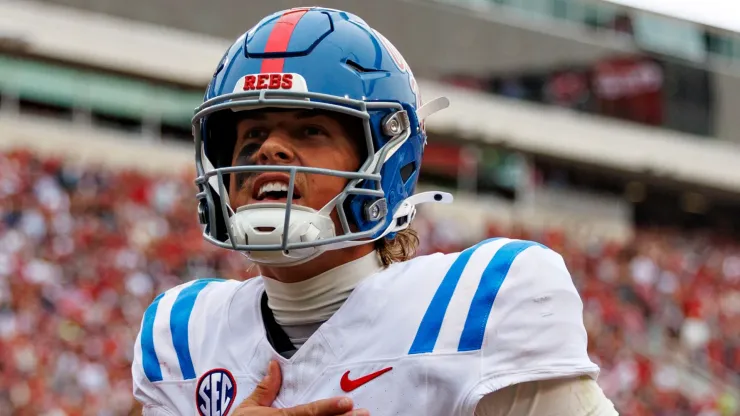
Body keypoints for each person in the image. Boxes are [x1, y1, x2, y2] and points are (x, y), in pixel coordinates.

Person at [132, 7, 618, 416]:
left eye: (309, 132)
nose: (269, 150)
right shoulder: (181, 335)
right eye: (252, 137)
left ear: (385, 162)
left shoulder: (479, 304)